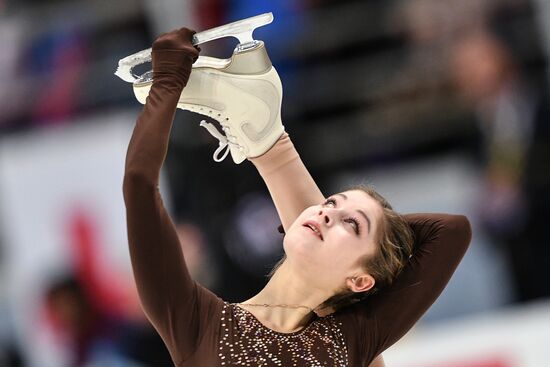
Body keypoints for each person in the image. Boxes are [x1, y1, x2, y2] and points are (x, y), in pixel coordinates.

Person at [122, 28, 472, 366]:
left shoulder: (356, 336)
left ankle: (267, 139)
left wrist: (169, 82)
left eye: (351, 224)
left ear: (362, 281)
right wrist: (167, 81)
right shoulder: (199, 325)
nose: (325, 213)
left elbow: (451, 231)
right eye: (330, 204)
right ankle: (268, 139)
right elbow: (139, 186)